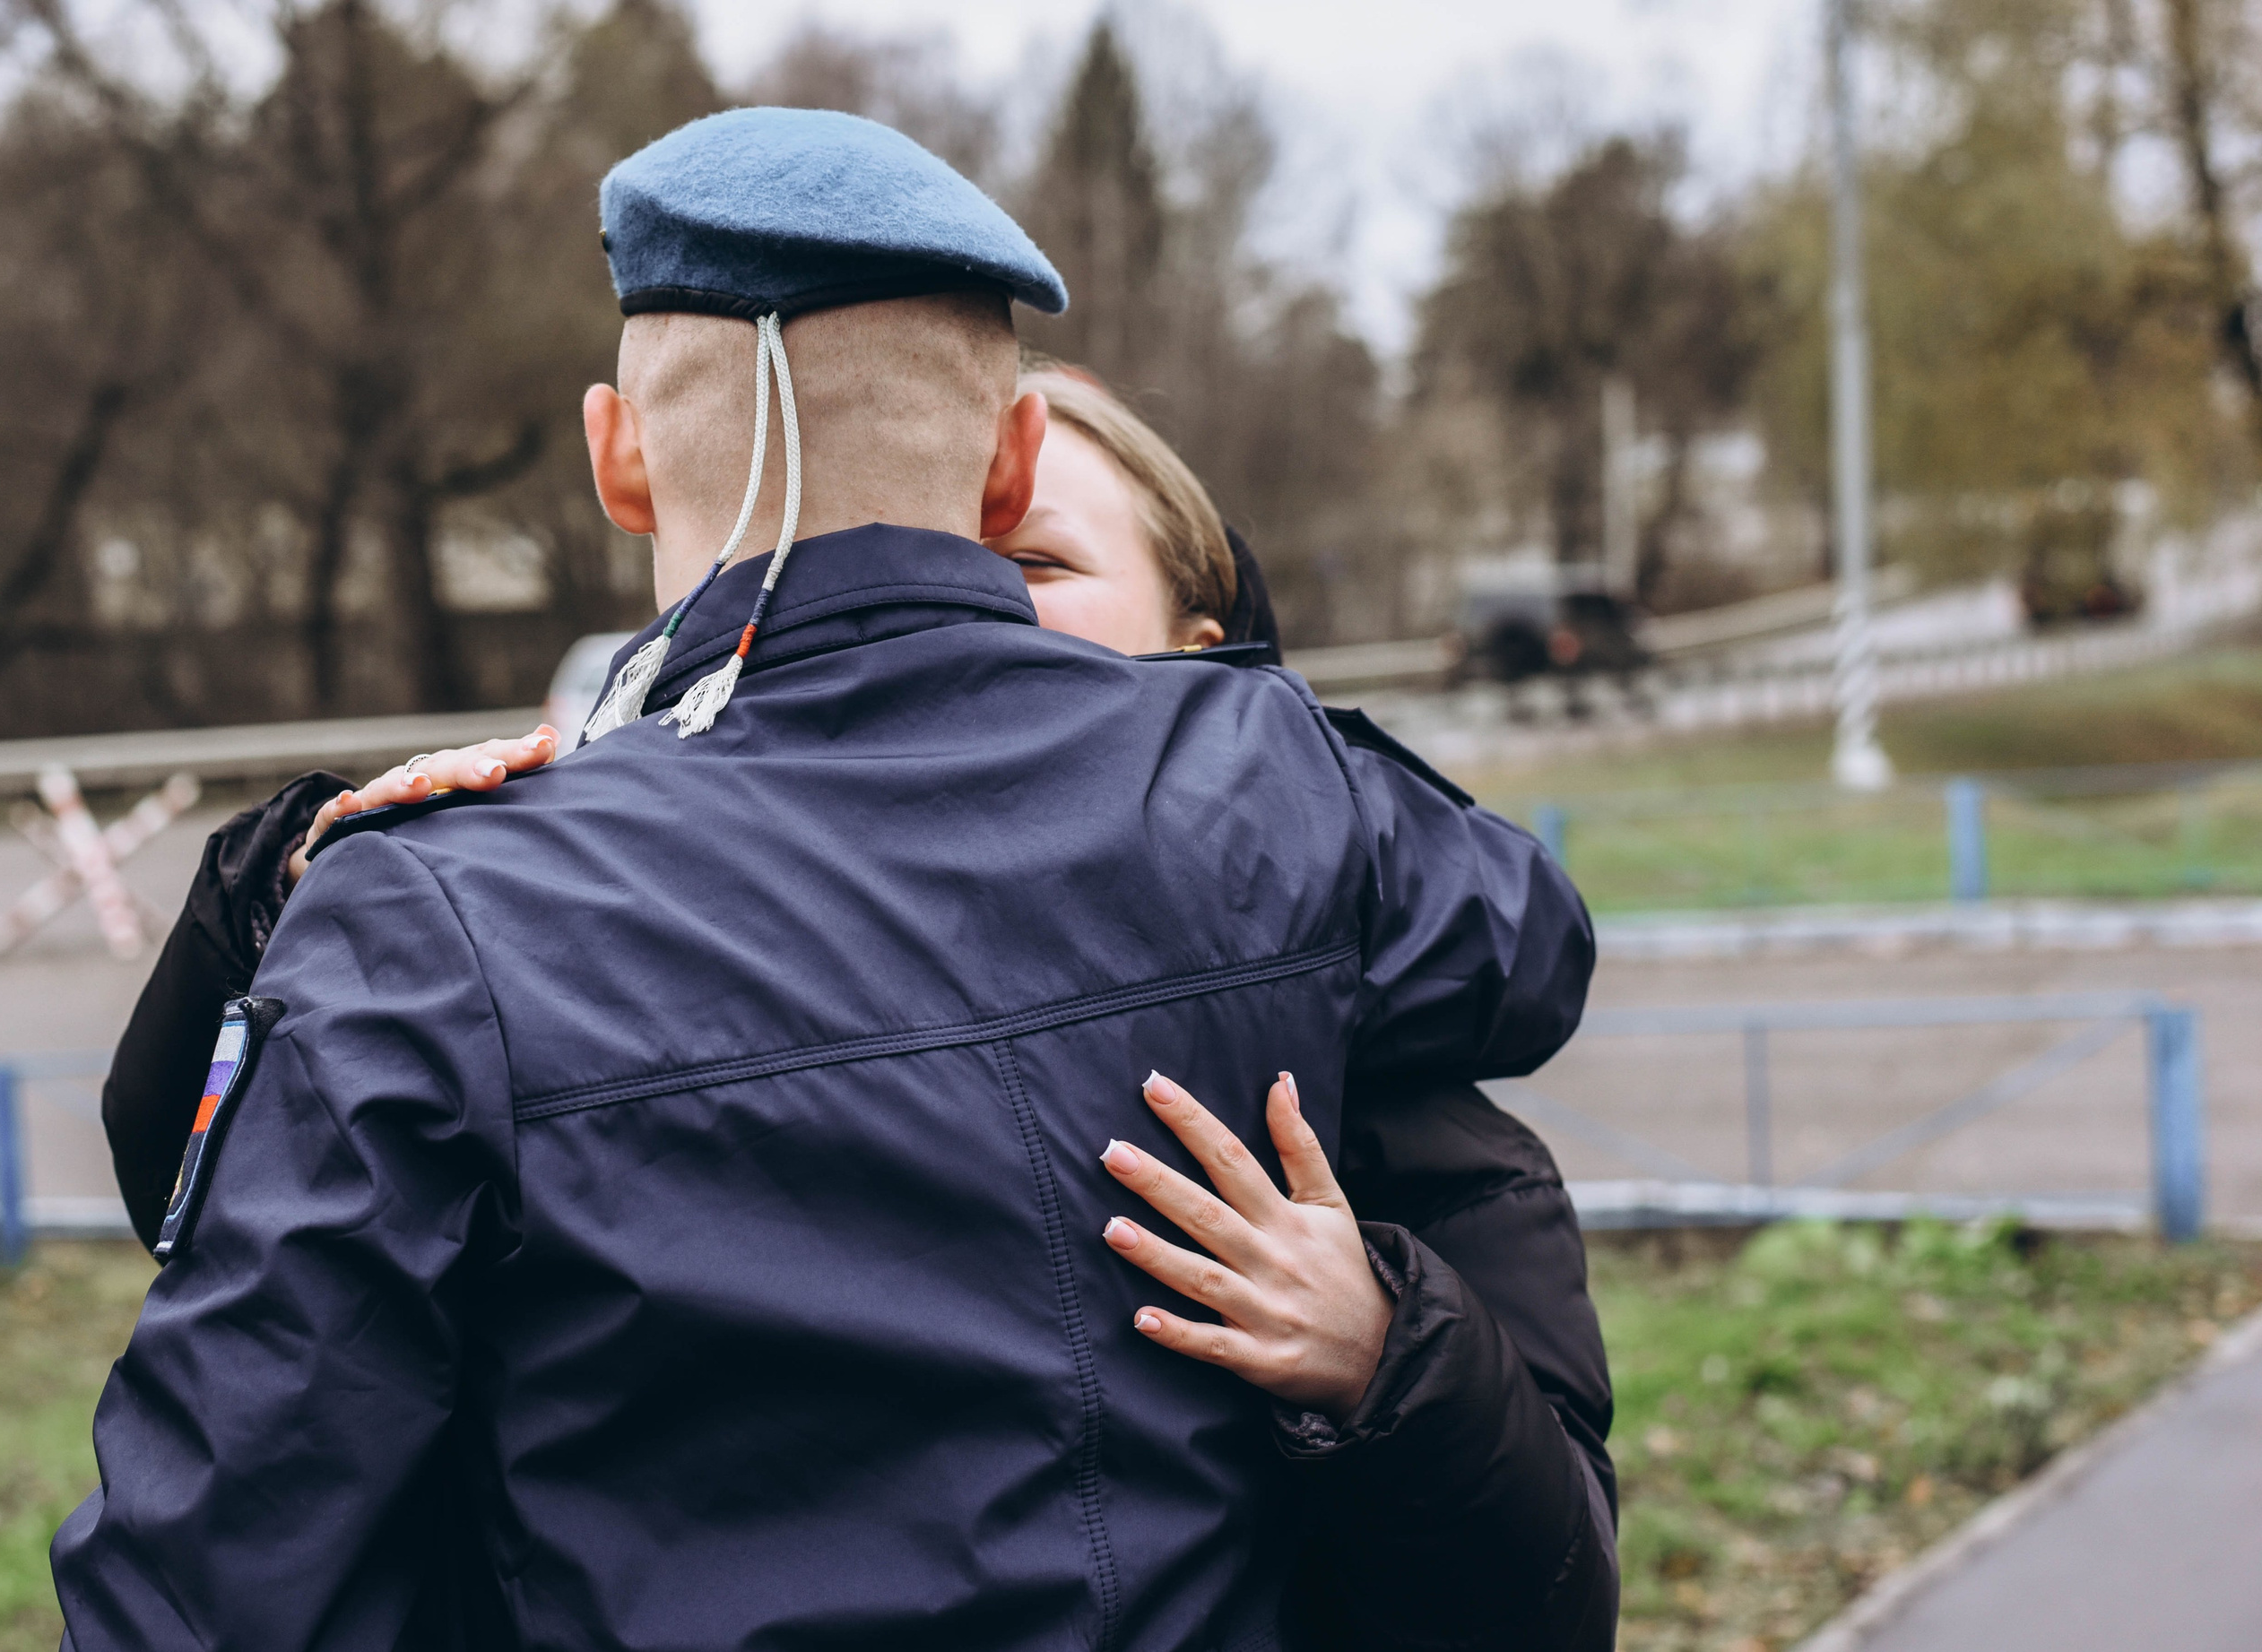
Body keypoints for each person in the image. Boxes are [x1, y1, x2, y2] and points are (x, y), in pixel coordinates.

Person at [90, 287, 1616, 1648]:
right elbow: (274, 1316)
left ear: (1202, 655)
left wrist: (1391, 1354)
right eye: (956, 566)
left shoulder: (1335, 990)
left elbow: (1543, 1592)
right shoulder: (538, 925)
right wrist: (291, 905)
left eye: (1030, 567)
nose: (965, 626)